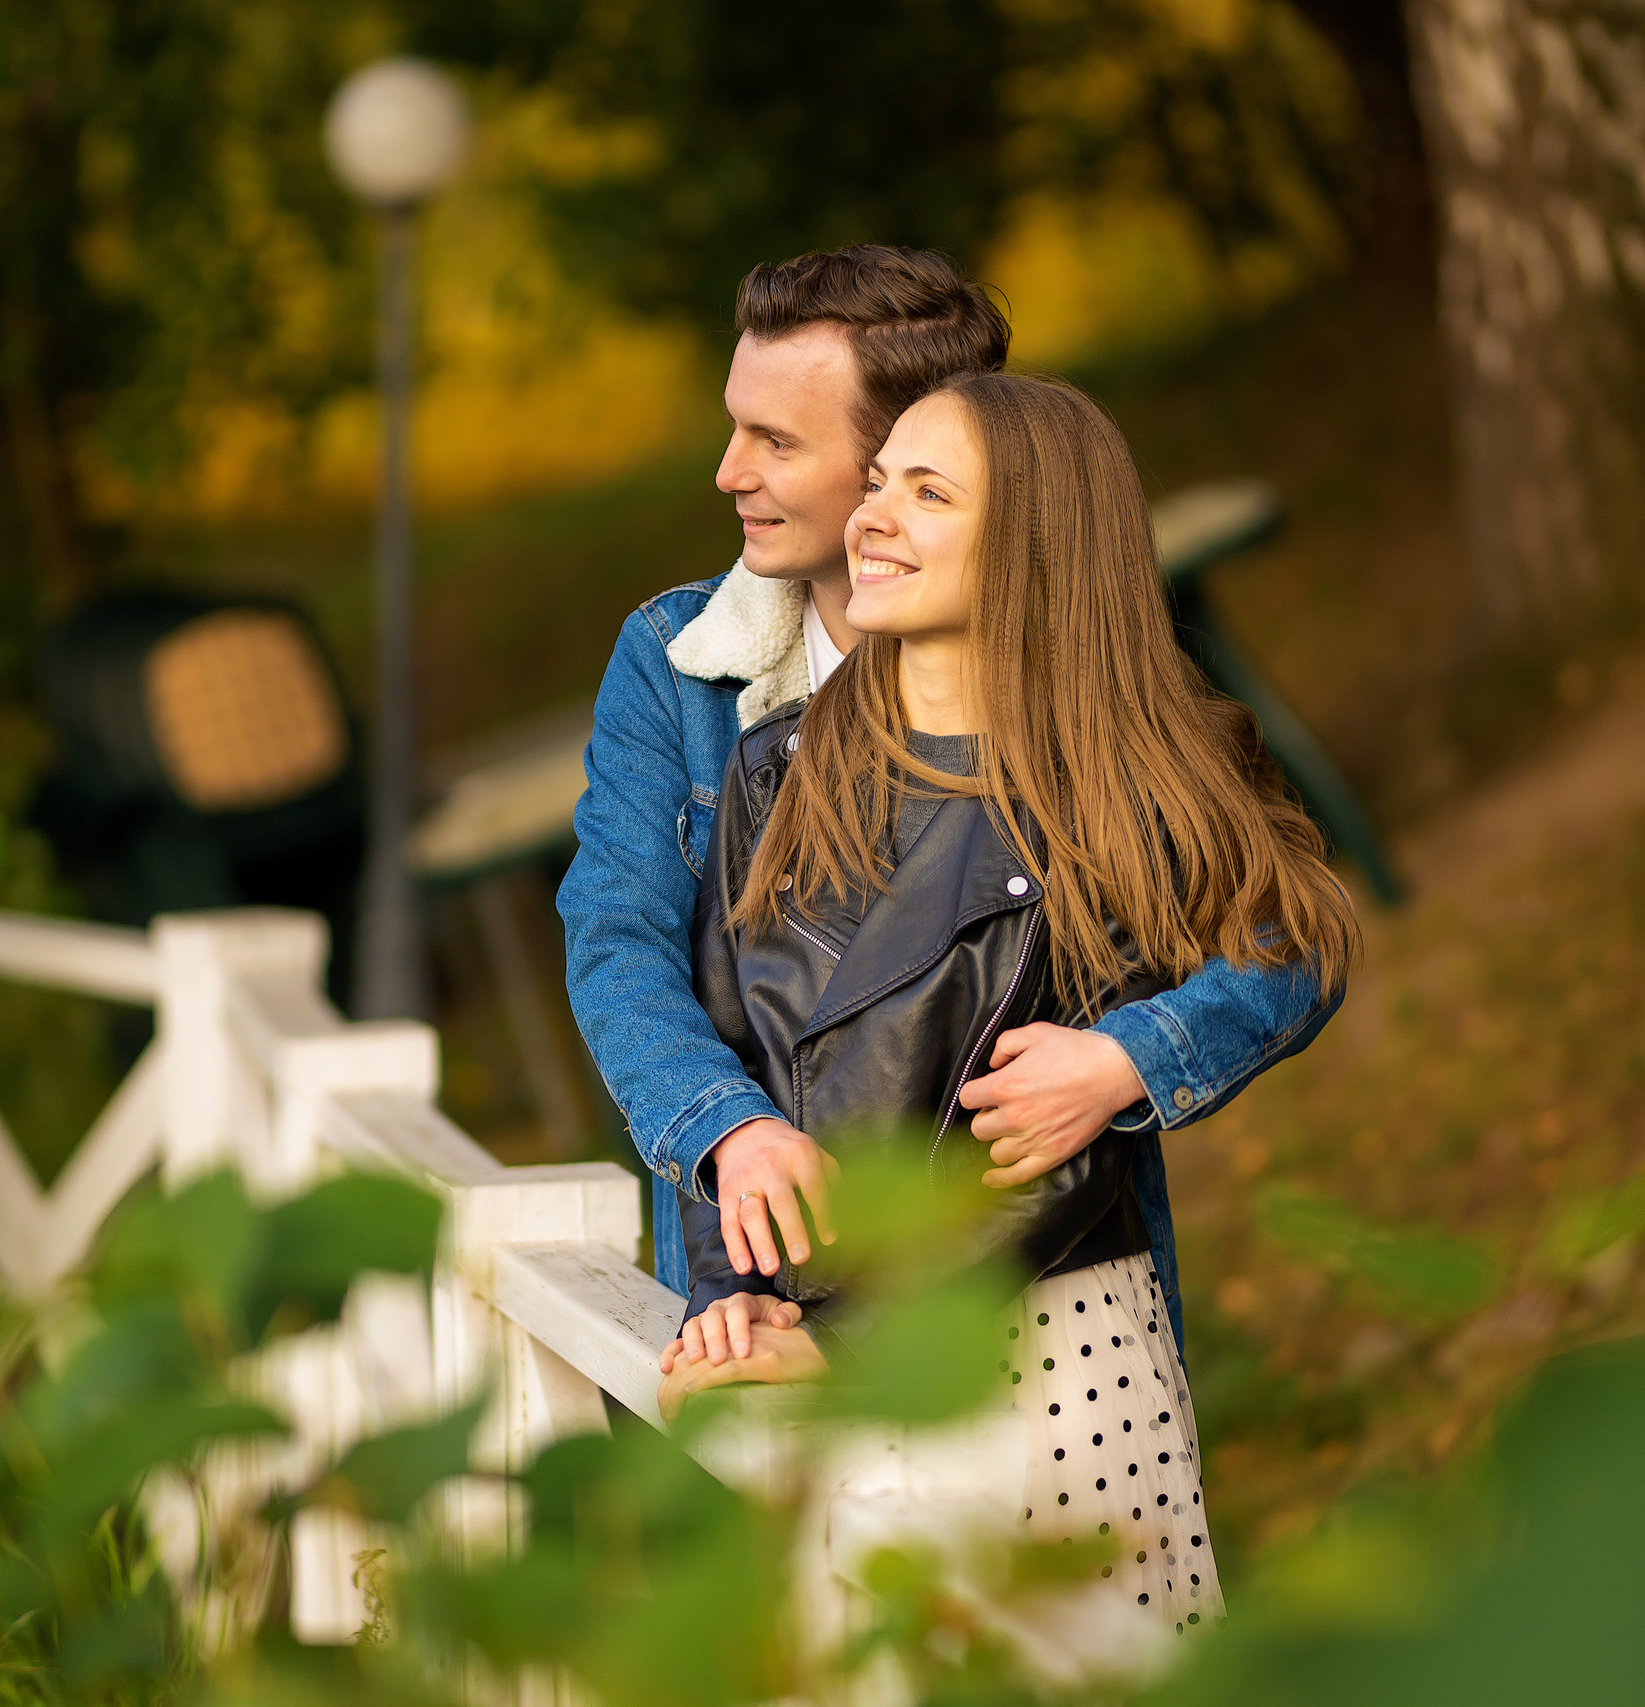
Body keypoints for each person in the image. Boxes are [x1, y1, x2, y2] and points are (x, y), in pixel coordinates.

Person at [653, 372, 1361, 1636]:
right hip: (811, 1347)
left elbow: (1063, 1144)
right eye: (879, 481)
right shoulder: (777, 766)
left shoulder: (1113, 786)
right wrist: (737, 1291)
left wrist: (1133, 1057)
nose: (873, 516)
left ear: (1035, 542)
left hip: (1042, 1355)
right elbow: (734, 1049)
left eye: (928, 494)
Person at [558, 246, 1342, 1359]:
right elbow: (620, 942)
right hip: (764, 1304)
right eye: (736, 429)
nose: (729, 472)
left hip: (1051, 1317)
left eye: (777, 442)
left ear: (924, 450)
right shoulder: (679, 667)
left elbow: (1284, 934)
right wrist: (724, 1130)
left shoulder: (1083, 684)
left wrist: (1132, 1058)